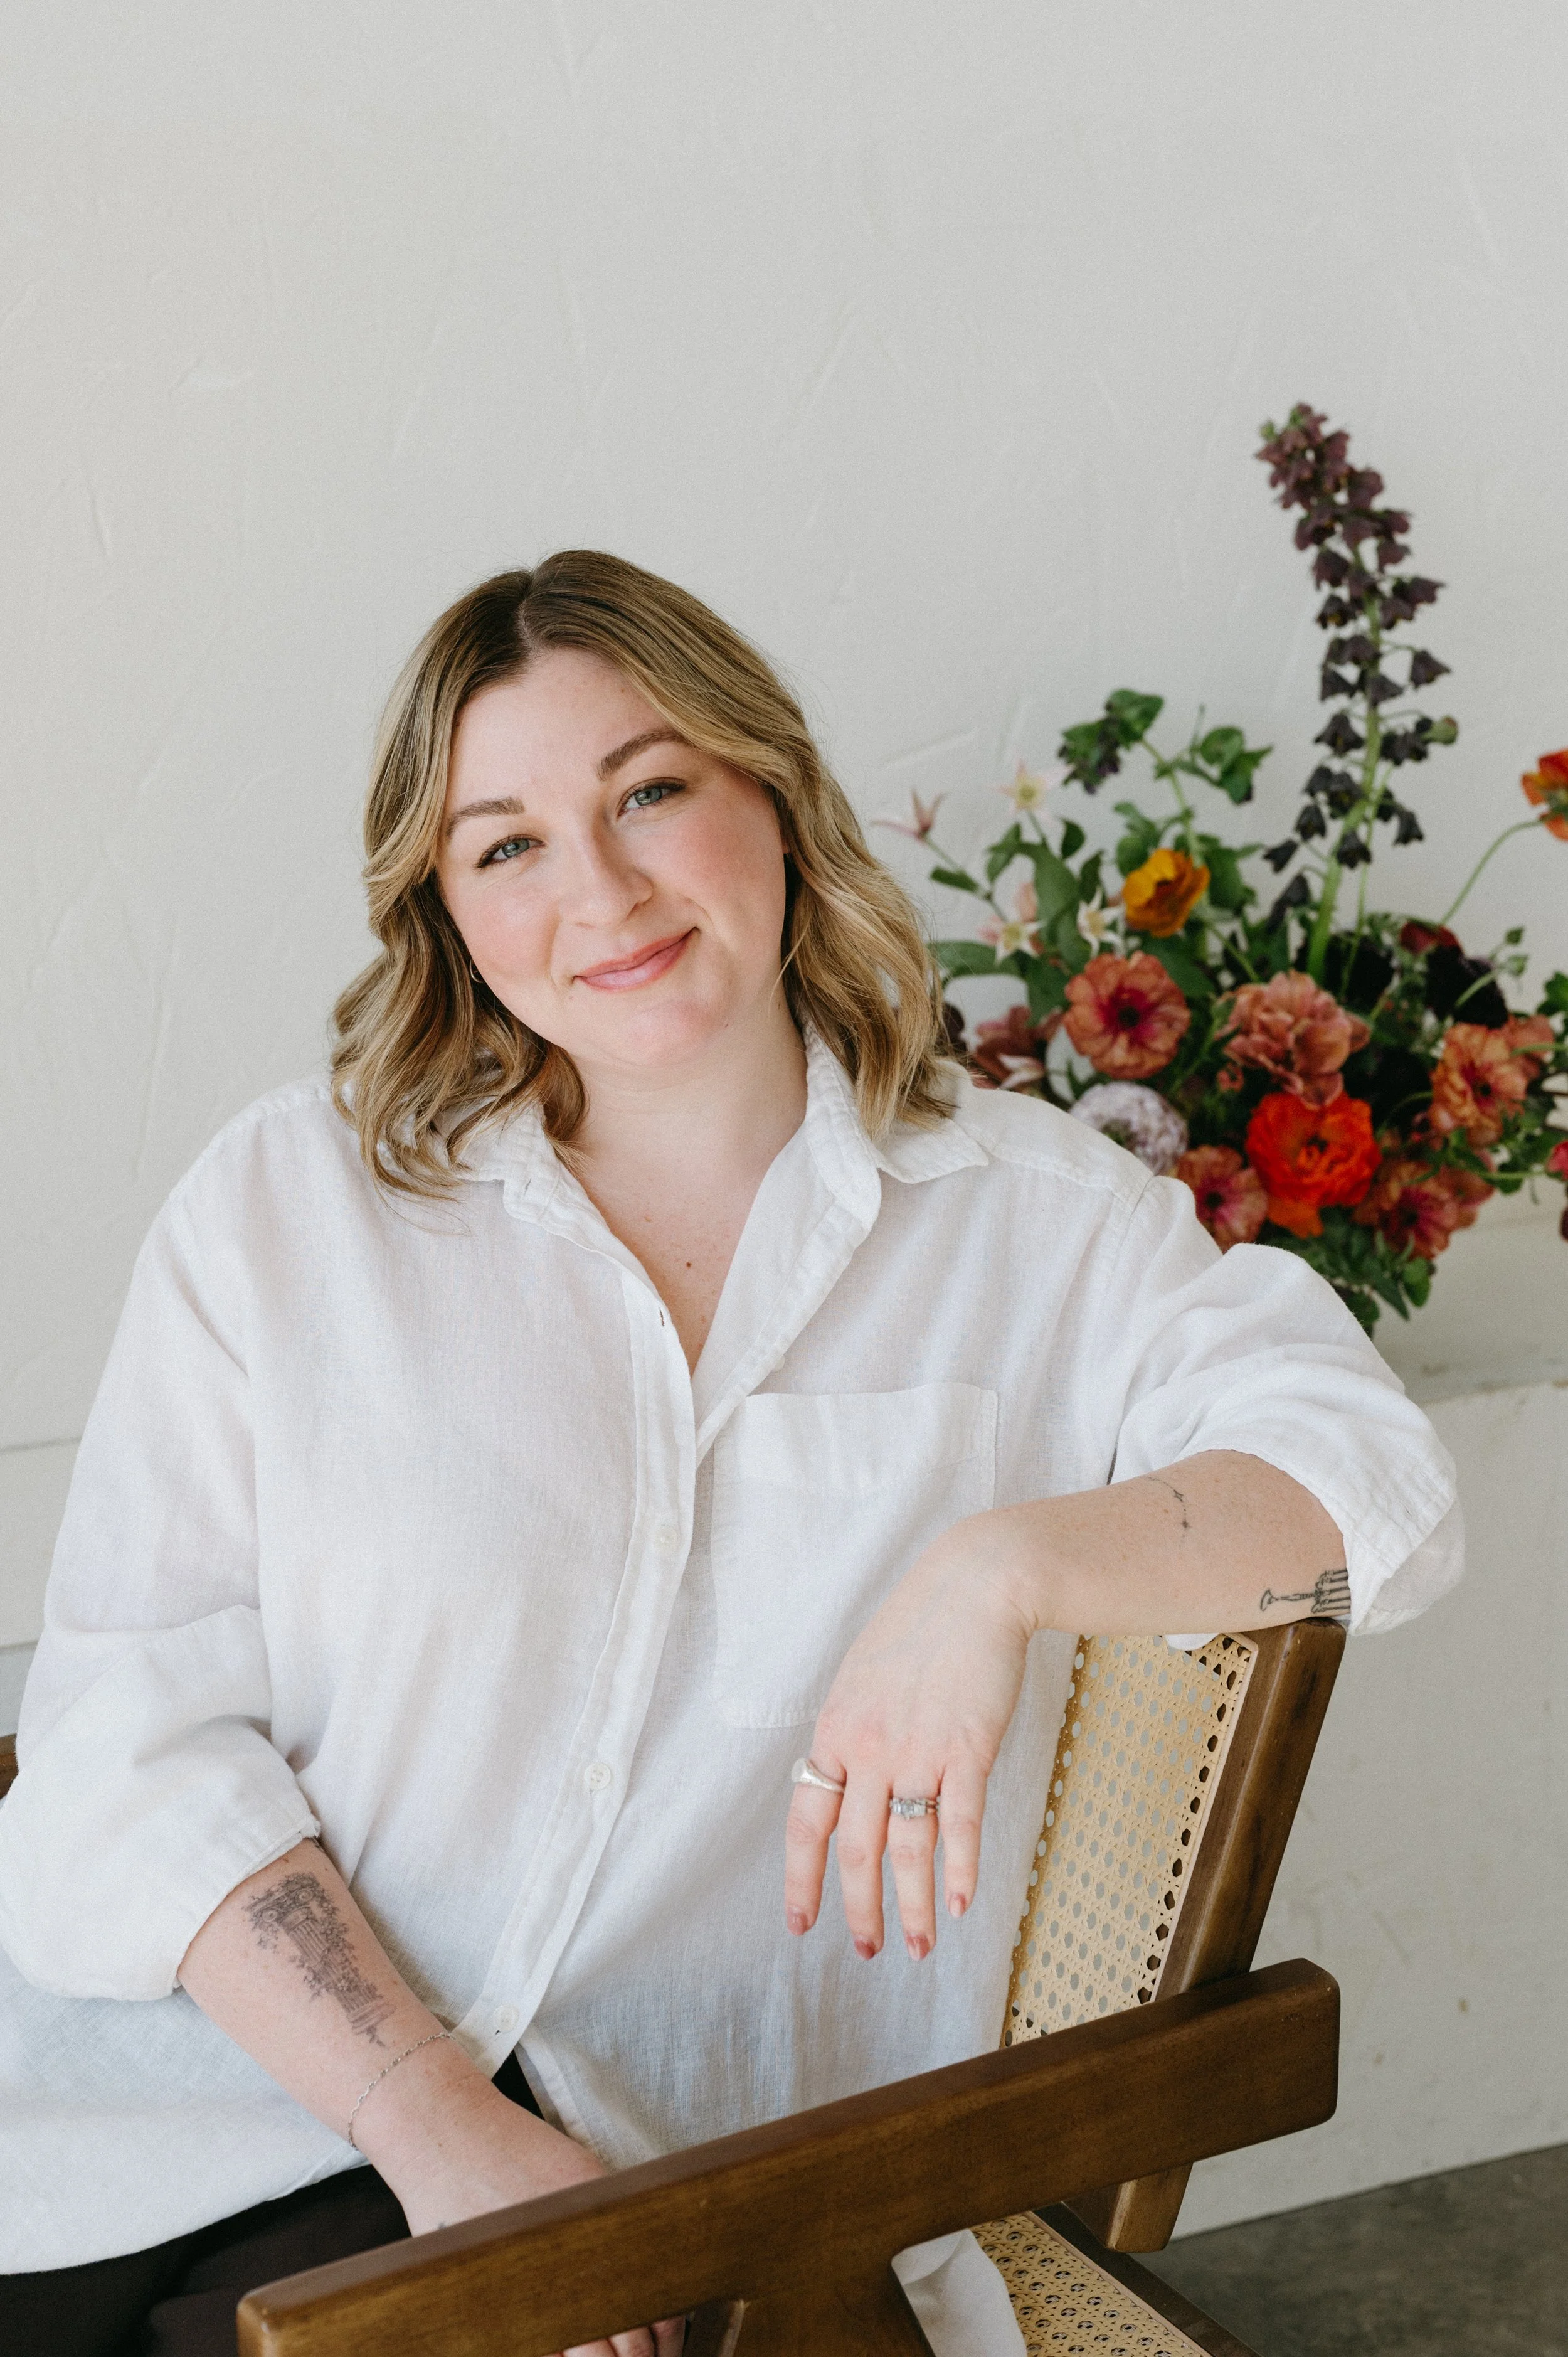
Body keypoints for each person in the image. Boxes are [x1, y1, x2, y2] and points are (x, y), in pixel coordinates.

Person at [0, 552, 1461, 2356]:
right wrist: (438, 2128)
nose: (598, 890)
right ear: (442, 908)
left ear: (767, 790)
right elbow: (124, 1734)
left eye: (650, 792)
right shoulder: (287, 1212)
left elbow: (1363, 1477)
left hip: (706, 2190)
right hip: (187, 2102)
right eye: (506, 842)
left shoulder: (1036, 1227)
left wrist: (991, 1570)